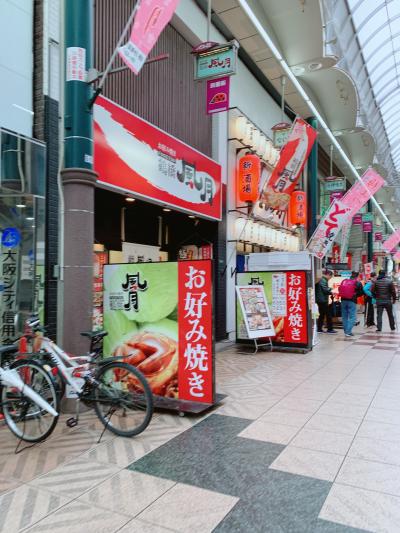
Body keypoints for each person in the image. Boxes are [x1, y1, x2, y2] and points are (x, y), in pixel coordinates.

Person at [339, 271, 364, 337]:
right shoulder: (358, 283)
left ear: (351, 275)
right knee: (352, 317)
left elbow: (340, 289)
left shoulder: (344, 281)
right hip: (352, 301)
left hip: (343, 300)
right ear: (357, 276)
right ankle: (348, 332)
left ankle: (346, 331)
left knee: (344, 316)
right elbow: (361, 292)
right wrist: (355, 295)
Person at [315, 269, 336, 334]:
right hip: (322, 300)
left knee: (322, 314)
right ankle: (330, 329)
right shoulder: (323, 280)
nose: (330, 278)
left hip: (320, 299)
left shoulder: (321, 279)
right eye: (331, 277)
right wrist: (332, 290)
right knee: (328, 314)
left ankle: (319, 329)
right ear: (328, 275)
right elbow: (325, 290)